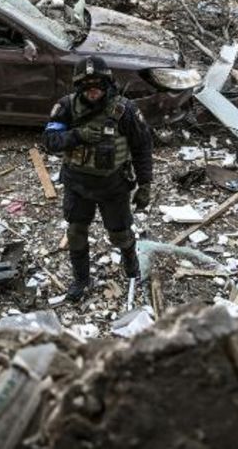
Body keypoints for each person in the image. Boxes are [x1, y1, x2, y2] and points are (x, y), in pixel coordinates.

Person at [42, 55, 153, 302]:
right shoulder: (67, 107)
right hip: (77, 184)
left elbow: (142, 147)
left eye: (98, 85)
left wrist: (145, 184)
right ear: (79, 86)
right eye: (87, 86)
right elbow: (50, 141)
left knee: (120, 234)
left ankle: (131, 267)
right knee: (75, 232)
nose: (93, 91)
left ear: (107, 84)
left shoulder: (125, 111)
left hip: (113, 186)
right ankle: (81, 279)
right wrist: (78, 135)